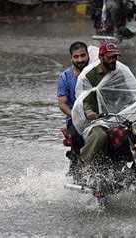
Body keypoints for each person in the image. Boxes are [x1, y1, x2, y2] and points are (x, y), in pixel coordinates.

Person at [71, 42, 136, 172]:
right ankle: (84, 167)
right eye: (110, 57)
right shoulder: (90, 75)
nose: (113, 60)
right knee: (100, 136)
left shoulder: (119, 73)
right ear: (101, 57)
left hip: (117, 116)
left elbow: (129, 95)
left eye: (115, 57)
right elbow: (85, 99)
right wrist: (90, 113)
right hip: (96, 120)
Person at [57, 41, 90, 177]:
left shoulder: (95, 72)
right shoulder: (65, 78)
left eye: (83, 55)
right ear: (71, 58)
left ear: (88, 55)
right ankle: (77, 168)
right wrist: (75, 116)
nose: (80, 59)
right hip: (75, 120)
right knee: (77, 136)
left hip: (98, 116)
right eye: (76, 57)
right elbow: (62, 104)